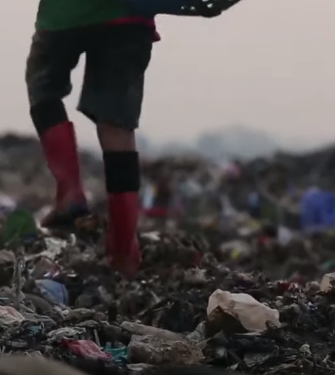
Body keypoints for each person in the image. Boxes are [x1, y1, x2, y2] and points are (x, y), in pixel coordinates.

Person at [27, 0, 239, 276]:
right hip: (131, 18)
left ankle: (70, 192)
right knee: (117, 126)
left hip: (67, 14)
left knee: (44, 88)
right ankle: (124, 250)